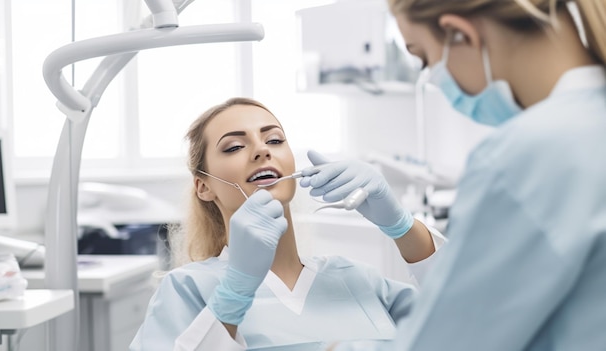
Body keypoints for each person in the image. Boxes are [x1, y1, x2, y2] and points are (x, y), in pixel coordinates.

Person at [306, 0, 606, 350]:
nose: (430, 76)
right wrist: (401, 226)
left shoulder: (525, 155)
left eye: (423, 58)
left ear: (459, 34)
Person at [129, 97, 446, 351]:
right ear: (203, 186)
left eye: (275, 139)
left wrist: (401, 226)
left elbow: (471, 316)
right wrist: (234, 294)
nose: (262, 150)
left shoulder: (360, 280)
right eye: (235, 146)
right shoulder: (187, 289)